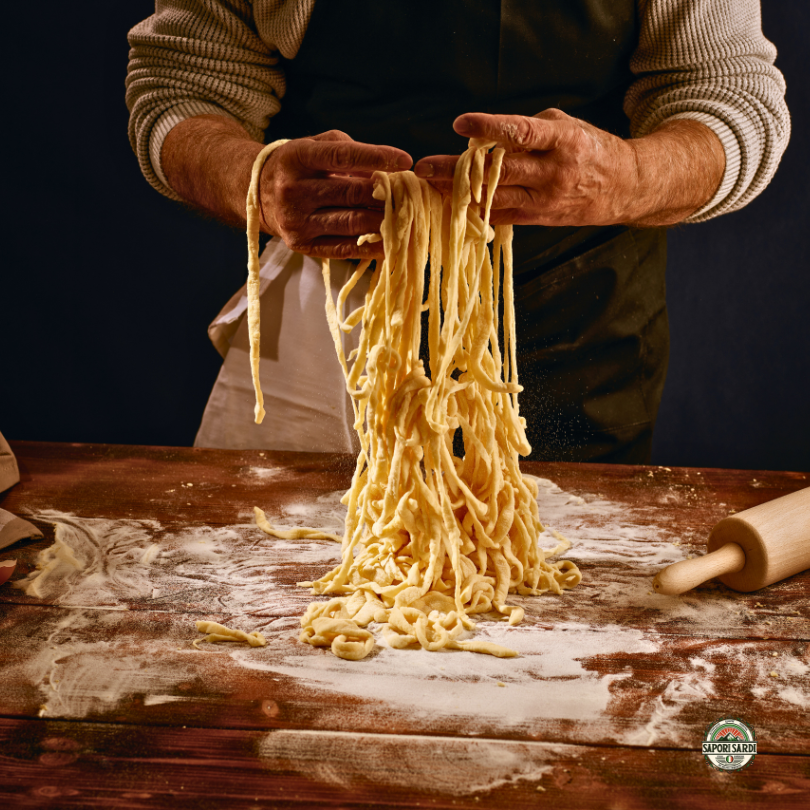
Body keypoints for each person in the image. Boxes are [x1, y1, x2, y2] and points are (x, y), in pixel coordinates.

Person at [126, 0, 789, 462]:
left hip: (579, 330)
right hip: (334, 331)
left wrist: (631, 176)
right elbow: (185, 89)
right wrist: (257, 184)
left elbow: (732, 98)